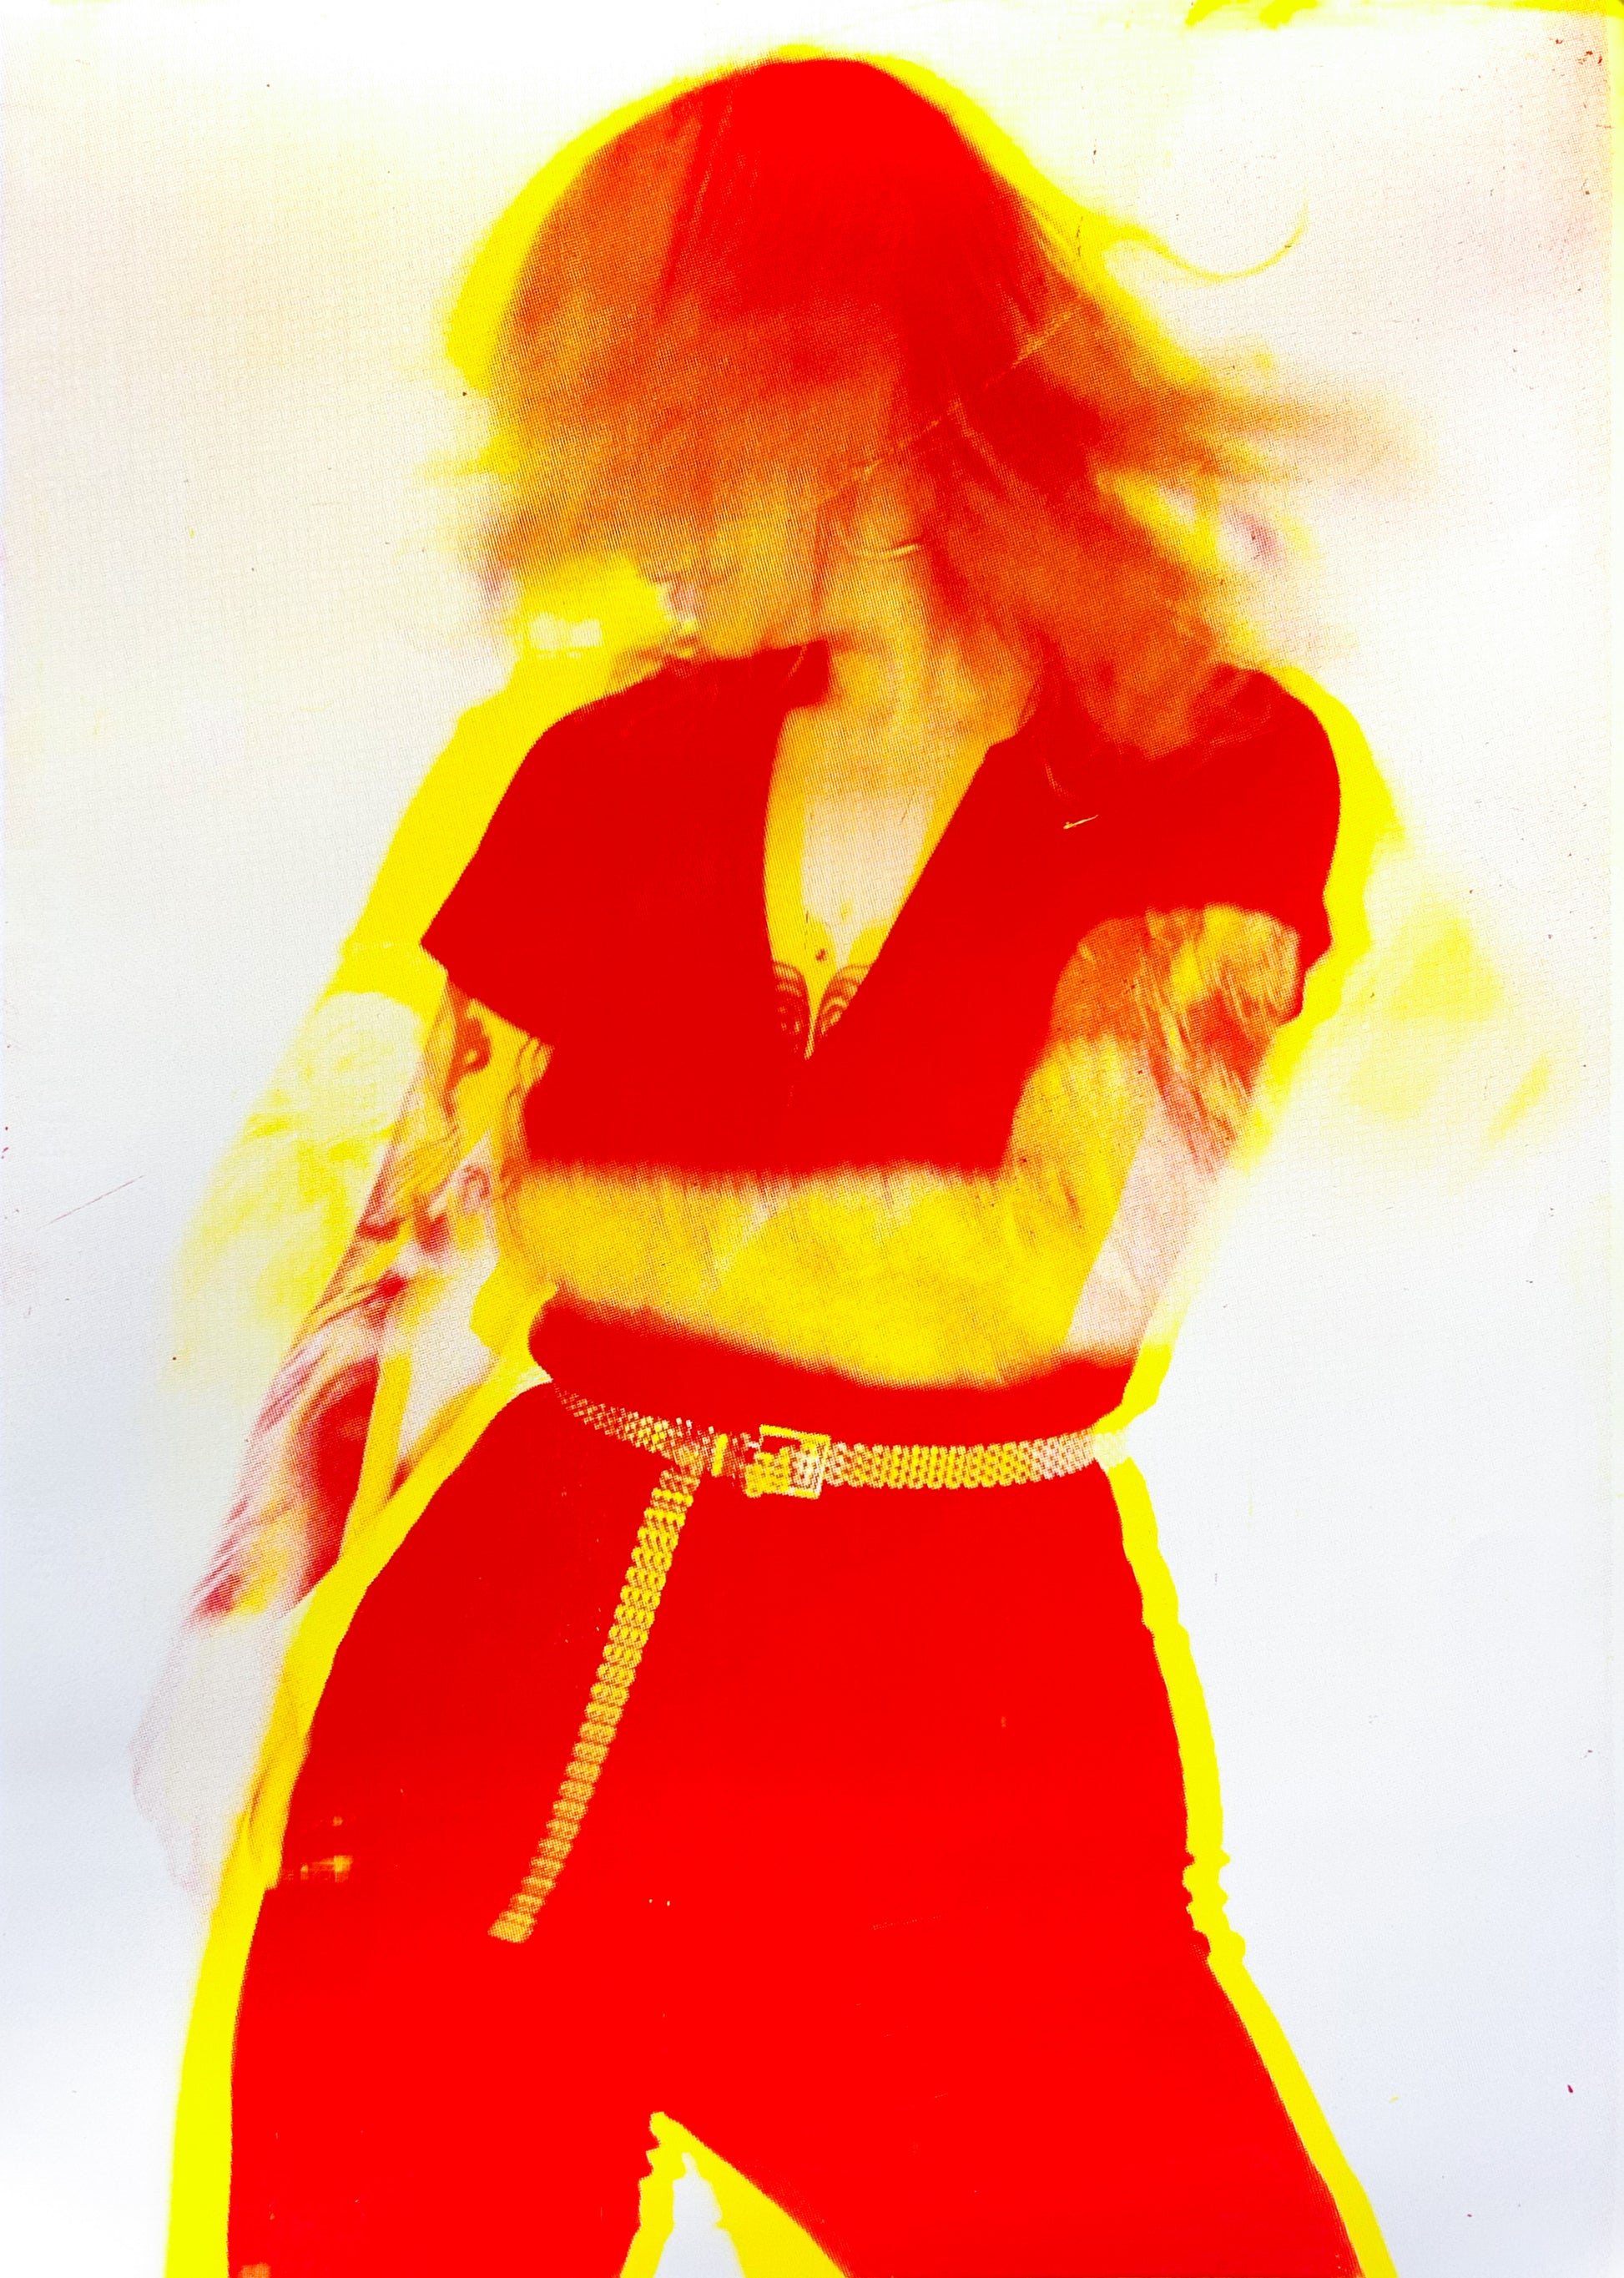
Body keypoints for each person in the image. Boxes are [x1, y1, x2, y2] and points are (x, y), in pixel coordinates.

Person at [147, 53, 1369, 2278]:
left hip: (963, 1761)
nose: (614, 519)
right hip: (474, 1750)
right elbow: (363, 1243)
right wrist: (246, 1606)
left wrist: (567, 1209)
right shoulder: (595, 765)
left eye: (643, 429)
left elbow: (1027, 1288)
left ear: (835, 377)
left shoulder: (1209, 764)